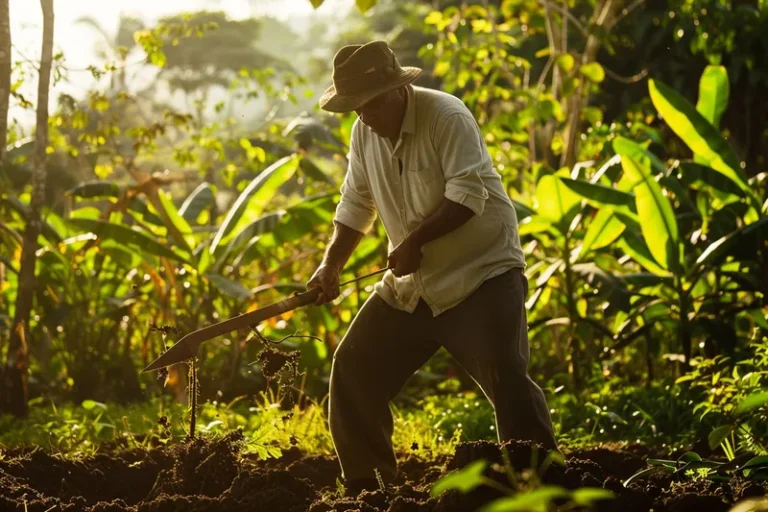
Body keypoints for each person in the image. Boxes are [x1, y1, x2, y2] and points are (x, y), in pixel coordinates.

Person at [307, 40, 558, 494]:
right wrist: (331, 266)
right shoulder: (364, 132)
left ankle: (539, 486)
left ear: (398, 89)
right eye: (355, 109)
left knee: (505, 373)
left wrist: (415, 240)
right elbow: (355, 203)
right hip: (412, 285)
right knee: (353, 368)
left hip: (480, 274)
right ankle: (369, 488)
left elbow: (468, 194)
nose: (364, 116)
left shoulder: (447, 117)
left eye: (370, 104)